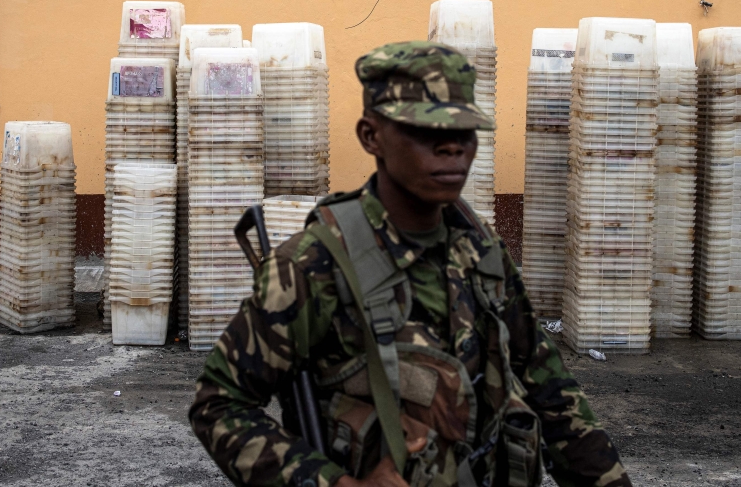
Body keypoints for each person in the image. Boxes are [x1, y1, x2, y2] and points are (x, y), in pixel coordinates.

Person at [190, 41, 632, 487]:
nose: (452, 149)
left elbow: (550, 391)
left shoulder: (481, 252)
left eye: (464, 133)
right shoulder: (313, 266)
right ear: (371, 136)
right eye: (426, 132)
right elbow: (220, 404)